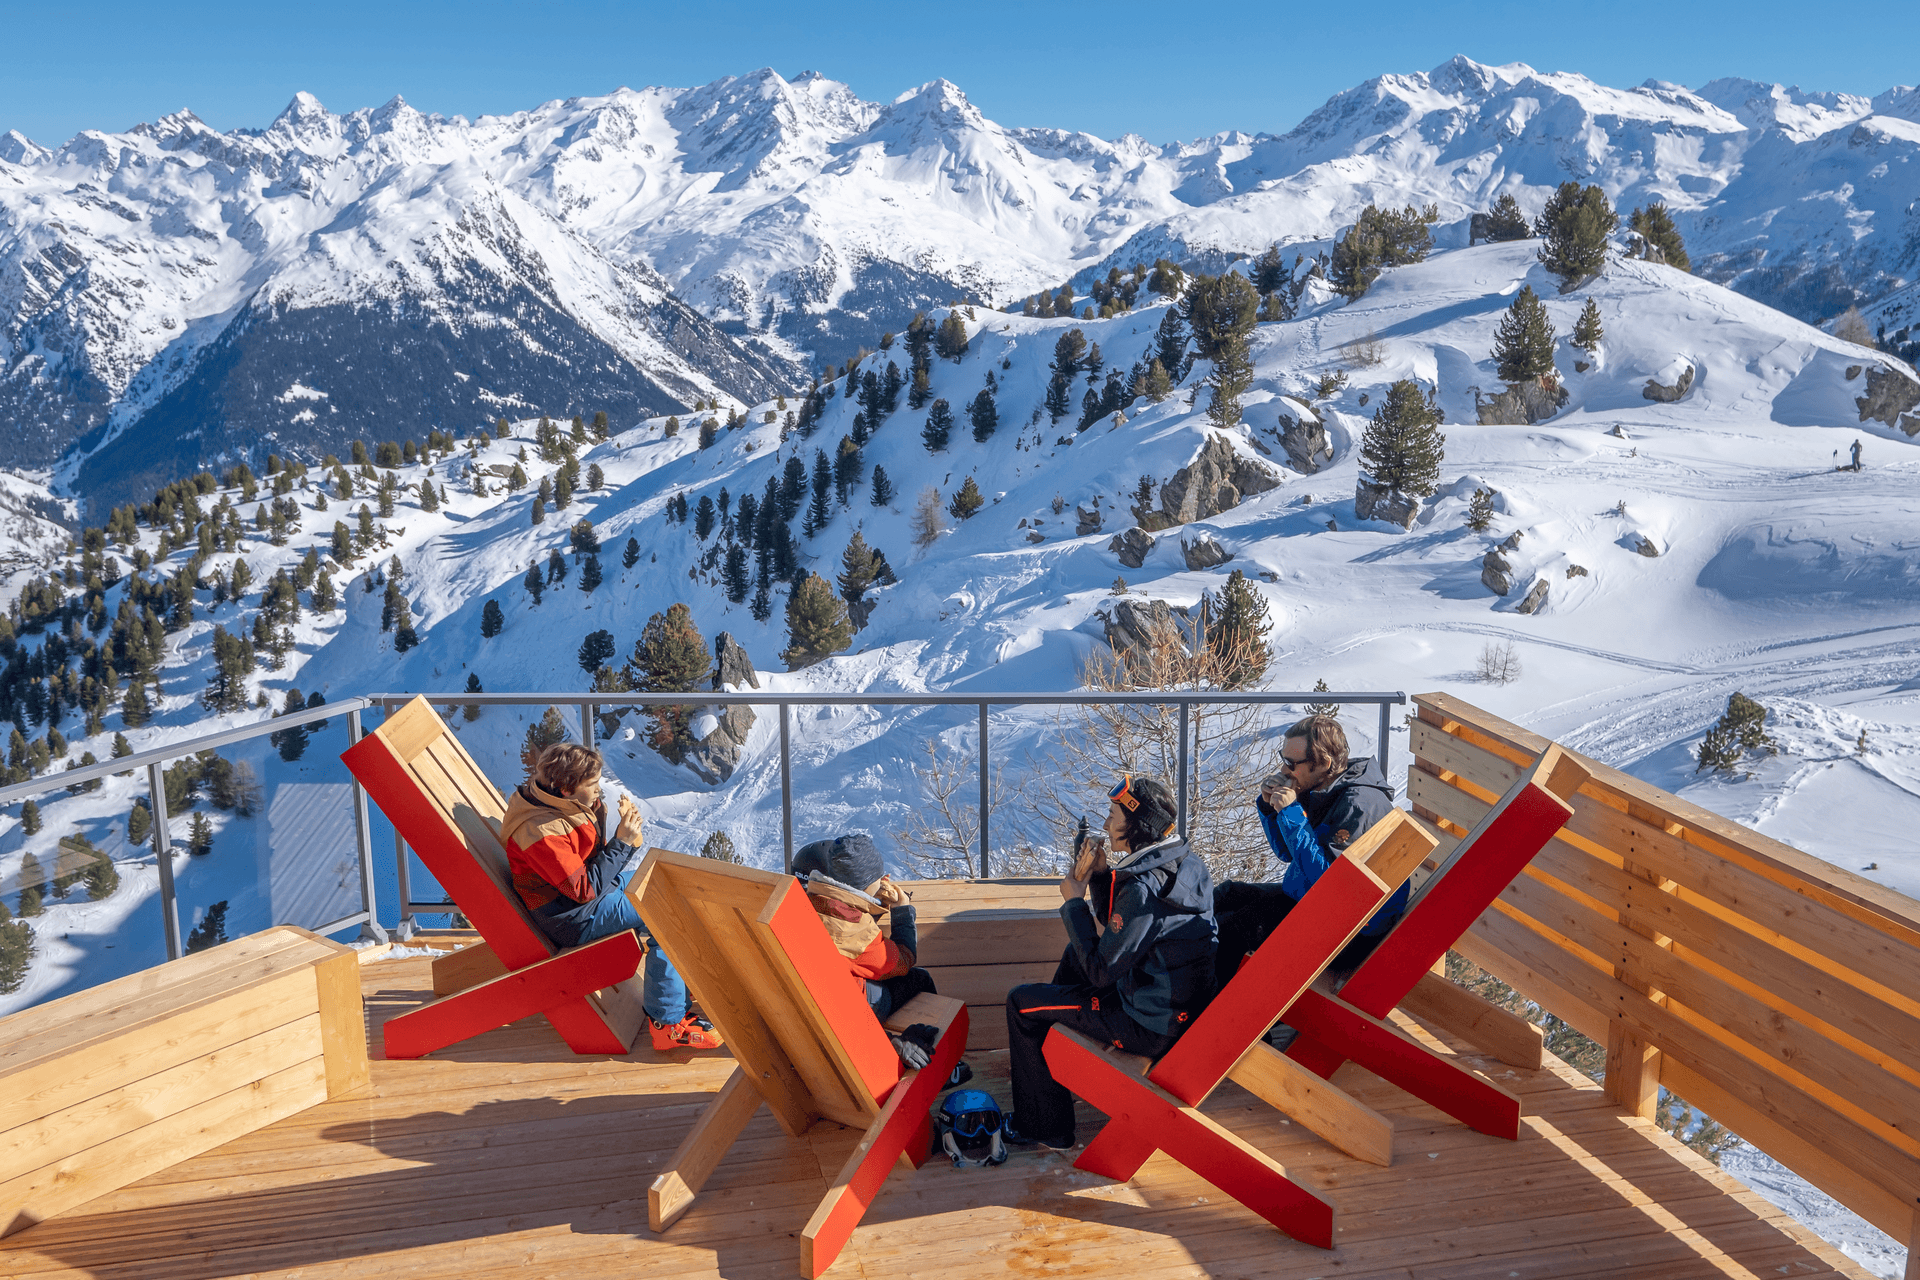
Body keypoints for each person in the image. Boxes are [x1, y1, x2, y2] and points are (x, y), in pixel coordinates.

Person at [1002, 775, 1216, 1150]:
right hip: (1173, 1006)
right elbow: (1126, 928)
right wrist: (1101, 874)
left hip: (1148, 1025)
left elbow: (1101, 971)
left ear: (1137, 824)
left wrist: (1073, 901)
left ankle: (1046, 1128)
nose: (1104, 825)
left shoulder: (1142, 889)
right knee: (1074, 956)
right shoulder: (1183, 860)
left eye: (1113, 815)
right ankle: (1049, 1074)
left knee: (1022, 1003)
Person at [500, 741, 722, 1051]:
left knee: (669, 884)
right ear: (565, 788)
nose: (598, 790)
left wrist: (612, 824)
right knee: (661, 911)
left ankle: (680, 982)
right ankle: (667, 1023)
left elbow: (587, 868)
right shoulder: (539, 831)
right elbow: (583, 890)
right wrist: (622, 843)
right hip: (571, 917)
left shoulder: (560, 803)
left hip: (588, 897)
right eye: (592, 785)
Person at [1212, 714, 1399, 998]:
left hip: (1347, 933)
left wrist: (1290, 813)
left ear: (1323, 763)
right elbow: (1288, 853)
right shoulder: (1324, 787)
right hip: (1316, 905)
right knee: (1224, 896)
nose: (1284, 770)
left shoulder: (1357, 805)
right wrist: (1269, 809)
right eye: (1283, 759)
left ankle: (1212, 1020)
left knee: (1234, 929)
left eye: (1292, 763)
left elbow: (1329, 883)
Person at [792, 833, 971, 1087]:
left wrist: (870, 905)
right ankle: (943, 1068)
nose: (884, 880)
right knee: (918, 979)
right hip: (853, 1012)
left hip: (815, 1008)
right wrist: (902, 910)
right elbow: (902, 959)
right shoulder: (859, 935)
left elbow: (844, 933)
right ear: (863, 885)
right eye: (879, 878)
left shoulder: (809, 905)